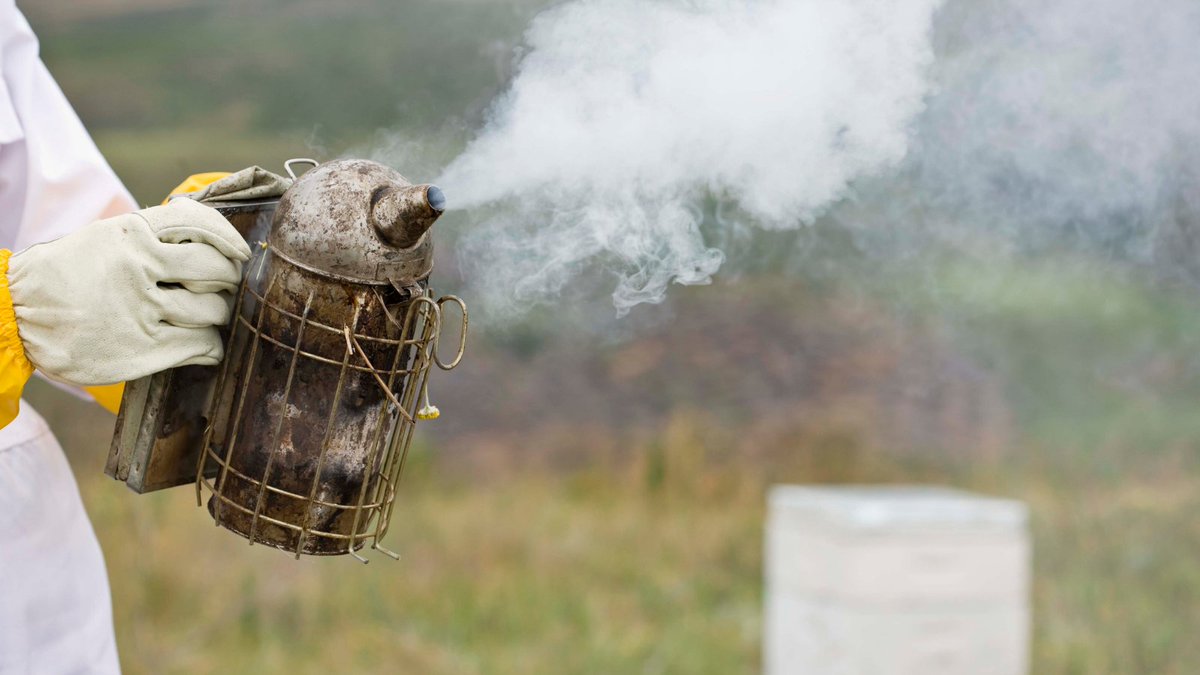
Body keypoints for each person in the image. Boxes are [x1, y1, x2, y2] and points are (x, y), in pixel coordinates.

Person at [0, 3, 250, 672]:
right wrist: (14, 312)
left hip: (31, 589)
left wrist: (186, 291)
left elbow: (54, 228)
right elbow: (33, 300)